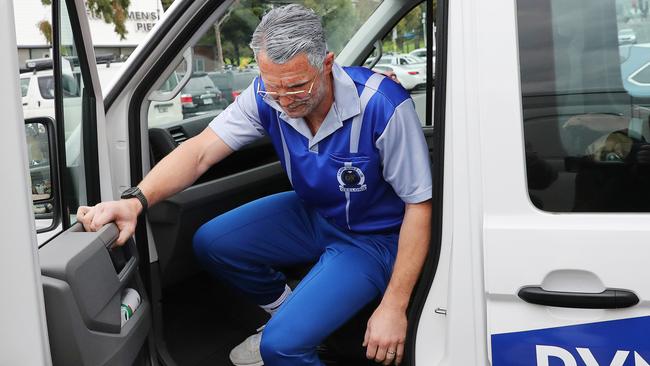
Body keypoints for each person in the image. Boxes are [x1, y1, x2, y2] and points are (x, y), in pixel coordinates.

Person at [77, 4, 432, 366]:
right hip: (316, 214)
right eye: (273, 89)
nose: (284, 101)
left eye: (296, 86)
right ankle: (286, 313)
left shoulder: (384, 107)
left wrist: (394, 305)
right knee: (212, 242)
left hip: (373, 238)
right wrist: (136, 201)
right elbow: (199, 152)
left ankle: (292, 333)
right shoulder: (267, 94)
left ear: (326, 64)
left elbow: (419, 206)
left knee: (280, 348)